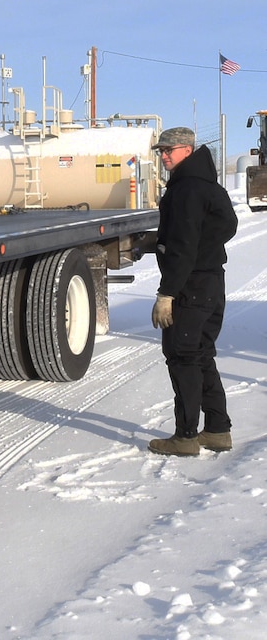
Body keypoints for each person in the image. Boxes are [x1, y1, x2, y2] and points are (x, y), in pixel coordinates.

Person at [147, 126, 238, 456]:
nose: (164, 155)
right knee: (201, 355)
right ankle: (217, 430)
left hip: (190, 287)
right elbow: (226, 226)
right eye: (161, 151)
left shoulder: (186, 189)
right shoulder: (208, 186)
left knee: (183, 358)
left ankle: (185, 437)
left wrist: (167, 293)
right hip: (211, 282)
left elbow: (184, 244)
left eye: (169, 149)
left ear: (187, 149)